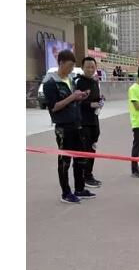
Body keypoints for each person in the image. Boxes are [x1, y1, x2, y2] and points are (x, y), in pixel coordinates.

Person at [43, 49, 93, 204]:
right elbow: (54, 107)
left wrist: (80, 96)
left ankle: (79, 188)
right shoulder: (50, 83)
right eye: (70, 65)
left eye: (73, 66)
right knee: (65, 160)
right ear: (61, 63)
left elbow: (72, 101)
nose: (72, 69)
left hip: (77, 124)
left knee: (80, 158)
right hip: (64, 128)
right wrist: (72, 97)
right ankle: (66, 193)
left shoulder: (70, 80)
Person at [75, 56, 104, 189]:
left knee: (92, 148)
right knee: (84, 150)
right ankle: (84, 176)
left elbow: (97, 99)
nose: (90, 69)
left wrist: (101, 101)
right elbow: (77, 102)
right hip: (83, 121)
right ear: (82, 67)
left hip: (94, 121)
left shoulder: (94, 82)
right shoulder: (79, 82)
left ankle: (89, 174)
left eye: (93, 67)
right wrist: (90, 104)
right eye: (88, 66)